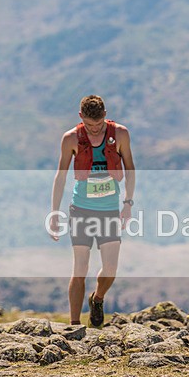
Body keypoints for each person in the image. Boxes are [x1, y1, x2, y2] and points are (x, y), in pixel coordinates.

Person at [48, 95, 136, 327]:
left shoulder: (120, 134)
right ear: (80, 117)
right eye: (89, 125)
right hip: (81, 209)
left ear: (105, 115)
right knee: (80, 268)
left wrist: (128, 203)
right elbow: (60, 177)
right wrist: (54, 212)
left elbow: (130, 169)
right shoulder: (70, 139)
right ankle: (74, 325)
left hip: (109, 210)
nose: (94, 129)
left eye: (98, 124)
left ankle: (97, 298)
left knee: (110, 269)